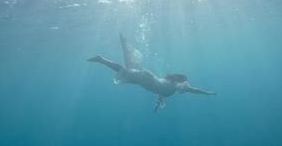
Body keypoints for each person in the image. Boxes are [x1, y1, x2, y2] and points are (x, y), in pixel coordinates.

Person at [88, 33, 216, 112]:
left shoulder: (169, 88)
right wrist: (207, 93)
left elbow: (160, 94)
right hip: (147, 79)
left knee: (128, 67)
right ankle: (102, 59)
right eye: (185, 83)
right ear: (181, 81)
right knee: (125, 70)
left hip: (145, 81)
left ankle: (123, 44)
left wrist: (156, 106)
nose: (186, 86)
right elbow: (193, 90)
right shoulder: (176, 85)